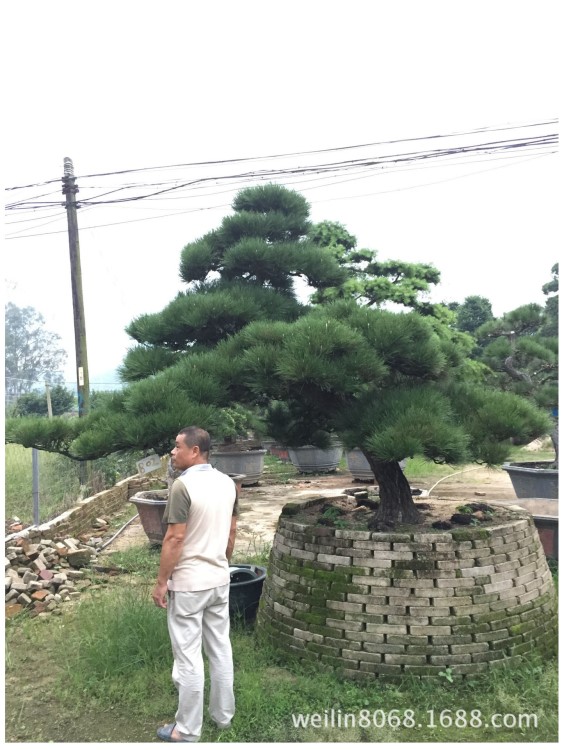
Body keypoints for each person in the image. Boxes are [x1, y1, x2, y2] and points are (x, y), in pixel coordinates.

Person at [152, 426, 238, 743]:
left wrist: (162, 582)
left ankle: (186, 730)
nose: (172, 453)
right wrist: (221, 563)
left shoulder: (182, 486)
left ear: (195, 451)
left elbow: (174, 538)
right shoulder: (228, 484)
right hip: (219, 580)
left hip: (189, 585)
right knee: (220, 648)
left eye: (177, 447)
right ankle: (223, 716)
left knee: (188, 657)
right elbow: (231, 533)